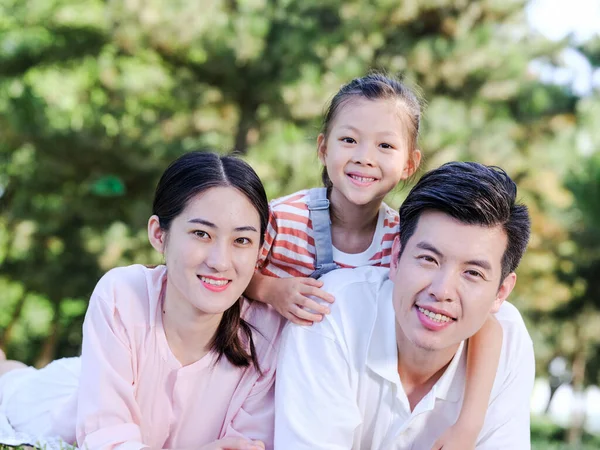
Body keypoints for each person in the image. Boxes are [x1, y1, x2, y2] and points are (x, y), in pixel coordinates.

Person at [246, 74, 504, 448]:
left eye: (385, 145)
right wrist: (270, 288)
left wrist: (469, 422)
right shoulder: (281, 219)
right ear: (323, 148)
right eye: (348, 140)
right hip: (257, 383)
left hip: (335, 391)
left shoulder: (406, 243)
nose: (364, 157)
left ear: (409, 164)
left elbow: (490, 324)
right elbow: (231, 273)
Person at [0, 151, 284, 450]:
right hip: (71, 398)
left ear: (259, 249)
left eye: (241, 240)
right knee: (12, 385)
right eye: (201, 233)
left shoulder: (267, 333)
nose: (220, 261)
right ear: (159, 234)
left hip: (103, 374)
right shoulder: (123, 294)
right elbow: (106, 439)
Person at [274, 161, 535, 449]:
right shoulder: (329, 312)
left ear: (501, 292)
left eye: (472, 273)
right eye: (428, 259)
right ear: (395, 257)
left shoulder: (509, 341)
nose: (442, 291)